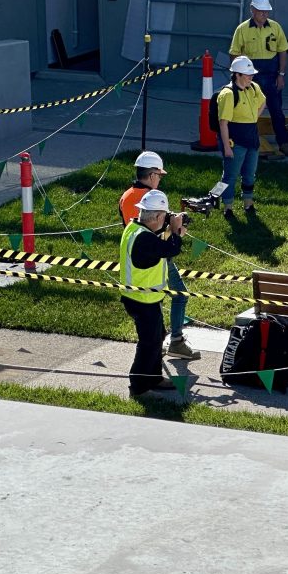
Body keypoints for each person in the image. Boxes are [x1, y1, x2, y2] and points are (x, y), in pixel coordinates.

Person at [118, 151, 200, 360]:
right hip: (153, 261)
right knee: (179, 295)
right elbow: (151, 232)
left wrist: (172, 226)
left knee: (155, 310)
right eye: (160, 176)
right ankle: (176, 341)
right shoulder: (144, 198)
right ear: (152, 174)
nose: (160, 180)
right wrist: (175, 232)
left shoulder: (128, 196)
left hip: (144, 260)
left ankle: (160, 339)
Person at [120, 189, 184, 396]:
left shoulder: (134, 228)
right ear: (157, 216)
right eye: (164, 216)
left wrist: (169, 227)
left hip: (140, 297)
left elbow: (158, 243)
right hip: (142, 300)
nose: (165, 219)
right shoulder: (145, 239)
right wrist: (175, 232)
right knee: (149, 343)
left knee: (157, 337)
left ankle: (154, 377)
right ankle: (138, 385)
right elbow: (170, 249)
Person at [229, 0, 288, 159]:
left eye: (267, 11)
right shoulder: (242, 30)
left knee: (276, 111)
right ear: (252, 10)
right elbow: (235, 54)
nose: (264, 14)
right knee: (246, 111)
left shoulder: (275, 28)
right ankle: (244, 143)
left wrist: (281, 75)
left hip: (271, 76)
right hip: (250, 77)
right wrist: (239, 78)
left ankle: (283, 142)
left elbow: (283, 51)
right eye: (261, 11)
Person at [217, 56, 267, 218]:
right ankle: (228, 206)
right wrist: (226, 147)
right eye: (247, 74)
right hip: (235, 140)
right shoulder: (228, 94)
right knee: (230, 175)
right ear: (237, 75)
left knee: (250, 173)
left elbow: (263, 102)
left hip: (252, 137)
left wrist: (252, 120)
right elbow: (223, 123)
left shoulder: (254, 88)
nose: (251, 77)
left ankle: (248, 202)